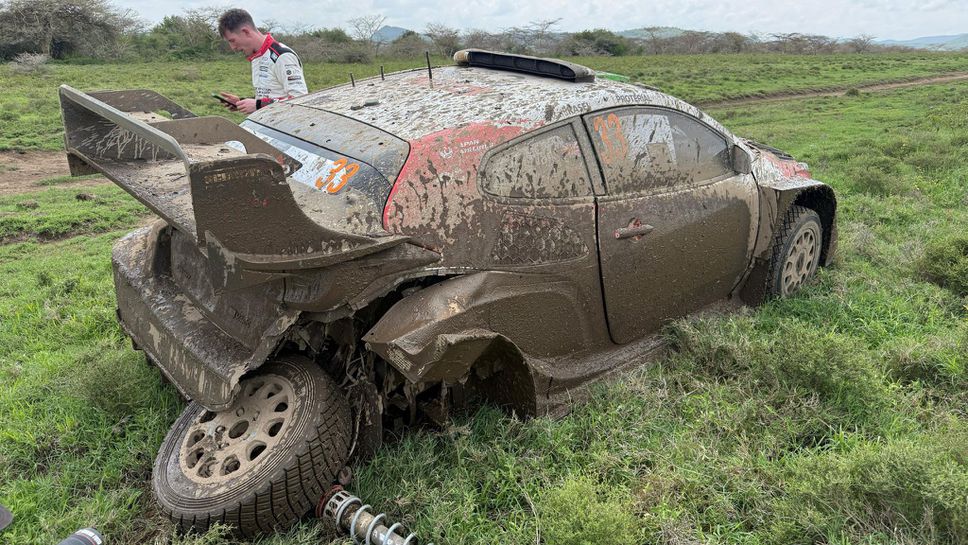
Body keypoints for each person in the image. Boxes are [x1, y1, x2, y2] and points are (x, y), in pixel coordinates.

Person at [216, 9, 308, 114]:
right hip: (264, 124)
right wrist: (241, 102)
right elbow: (270, 96)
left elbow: (300, 101)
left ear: (245, 32)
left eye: (232, 40)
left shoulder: (282, 56)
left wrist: (258, 105)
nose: (232, 47)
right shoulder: (257, 56)